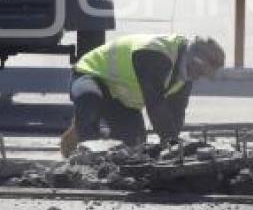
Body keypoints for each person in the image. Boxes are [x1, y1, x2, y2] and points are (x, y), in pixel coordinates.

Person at [60, 34, 226, 156]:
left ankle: (87, 126)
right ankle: (84, 151)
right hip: (91, 75)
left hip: (120, 98)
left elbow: (176, 113)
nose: (200, 78)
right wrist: (171, 144)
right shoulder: (155, 54)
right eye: (202, 72)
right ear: (195, 61)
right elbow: (155, 104)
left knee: (135, 145)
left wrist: (174, 146)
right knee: (90, 106)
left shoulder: (186, 75)